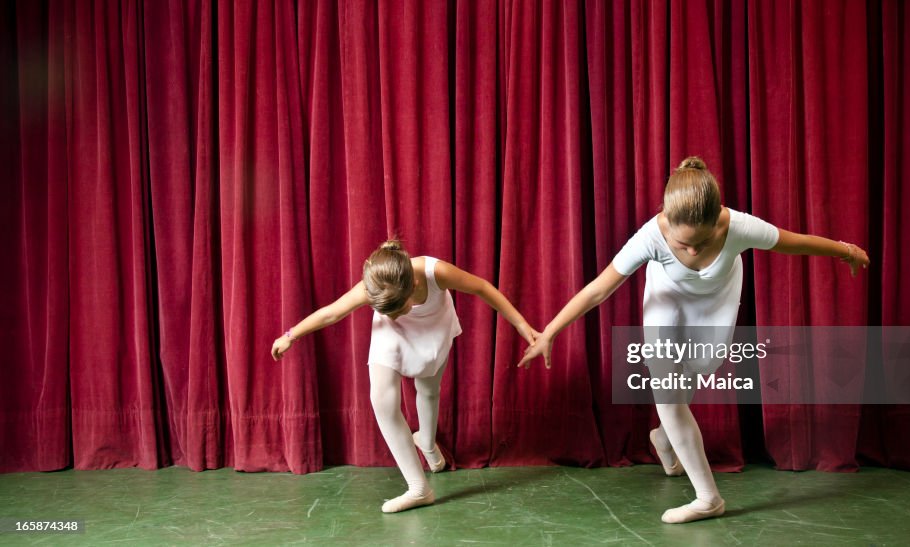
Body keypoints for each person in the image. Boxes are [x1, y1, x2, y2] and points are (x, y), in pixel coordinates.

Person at [518, 156, 869, 524]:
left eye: (699, 244)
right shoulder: (652, 235)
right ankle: (708, 497)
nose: (691, 252)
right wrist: (550, 332)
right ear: (668, 221)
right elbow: (598, 291)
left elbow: (793, 243)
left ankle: (664, 438)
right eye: (683, 244)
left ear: (716, 218)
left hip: (714, 305)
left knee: (694, 373)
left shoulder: (738, 226)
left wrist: (845, 250)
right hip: (665, 303)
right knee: (669, 394)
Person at [272, 240, 538, 513]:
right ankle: (419, 488)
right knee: (381, 400)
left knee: (429, 390)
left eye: (398, 308)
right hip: (390, 336)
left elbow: (482, 287)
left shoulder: (434, 272)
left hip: (433, 327)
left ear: (412, 286)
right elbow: (332, 313)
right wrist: (290, 335)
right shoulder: (375, 285)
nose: (396, 315)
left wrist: (521, 324)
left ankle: (427, 442)